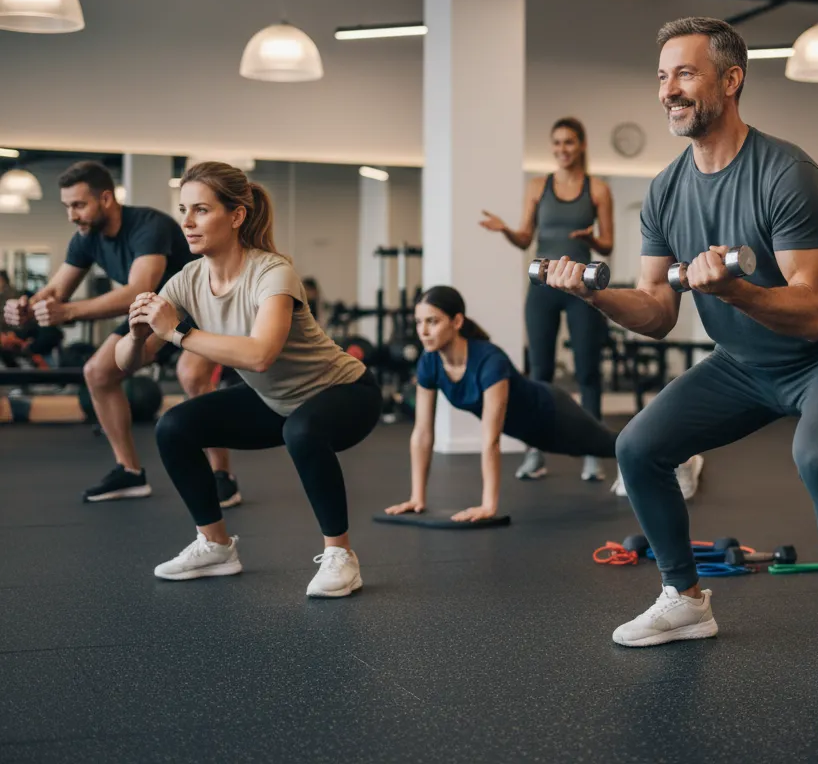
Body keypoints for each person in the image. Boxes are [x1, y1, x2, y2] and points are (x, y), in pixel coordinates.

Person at [545, 17, 818, 686]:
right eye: (662, 77)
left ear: (731, 81)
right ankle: (686, 600)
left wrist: (733, 290)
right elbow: (656, 313)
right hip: (743, 365)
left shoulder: (788, 173)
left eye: (685, 74)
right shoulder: (666, 192)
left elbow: (813, 310)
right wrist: (597, 296)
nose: (667, 91)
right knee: (638, 448)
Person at [116, 161, 381, 597]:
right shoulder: (188, 280)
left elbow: (260, 355)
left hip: (345, 393)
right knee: (175, 426)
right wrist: (137, 331)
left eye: (201, 210)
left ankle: (341, 556)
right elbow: (128, 362)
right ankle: (216, 546)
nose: (187, 222)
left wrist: (178, 332)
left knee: (302, 430)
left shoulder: (273, 273)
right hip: (275, 399)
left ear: (236, 215)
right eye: (183, 210)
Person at [2, 161, 241, 506]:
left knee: (191, 376)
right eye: (67, 206)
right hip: (148, 312)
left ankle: (222, 475)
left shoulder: (149, 225)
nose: (72, 215)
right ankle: (129, 472)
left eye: (79, 205)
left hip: (198, 306)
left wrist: (66, 311)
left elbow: (137, 290)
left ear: (106, 199)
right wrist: (26, 307)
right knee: (97, 373)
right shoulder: (85, 238)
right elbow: (56, 292)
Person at [383, 286, 705, 522]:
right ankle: (659, 461)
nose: (423, 331)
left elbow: (491, 437)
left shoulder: (488, 360)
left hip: (553, 414)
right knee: (613, 448)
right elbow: (422, 433)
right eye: (419, 322)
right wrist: (417, 498)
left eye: (432, 321)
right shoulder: (429, 364)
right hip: (530, 431)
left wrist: (488, 506)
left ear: (456, 321)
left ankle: (682, 459)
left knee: (613, 445)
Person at [478, 118, 628, 487]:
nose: (562, 149)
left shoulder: (598, 189)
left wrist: (591, 238)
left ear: (582, 145)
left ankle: (593, 453)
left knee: (587, 372)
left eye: (569, 143)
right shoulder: (537, 186)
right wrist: (507, 231)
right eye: (557, 143)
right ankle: (535, 452)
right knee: (539, 372)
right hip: (543, 284)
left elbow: (608, 243)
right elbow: (526, 237)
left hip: (583, 287)